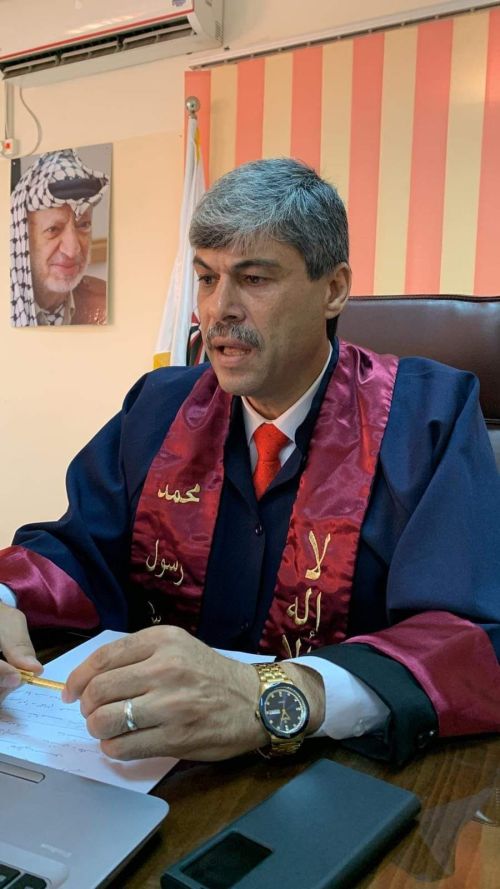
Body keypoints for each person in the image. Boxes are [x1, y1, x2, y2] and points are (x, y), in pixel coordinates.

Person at [1, 158, 499, 766]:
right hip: (148, 761)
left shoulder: (428, 417)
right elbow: (79, 549)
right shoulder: (159, 407)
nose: (219, 310)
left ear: (334, 289)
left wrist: (279, 695)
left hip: (342, 773)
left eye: (254, 278)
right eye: (207, 278)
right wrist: (5, 597)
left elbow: (471, 635)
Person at [10, 148, 109, 327]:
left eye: (83, 225)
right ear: (23, 238)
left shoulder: (104, 304)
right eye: (53, 229)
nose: (72, 251)